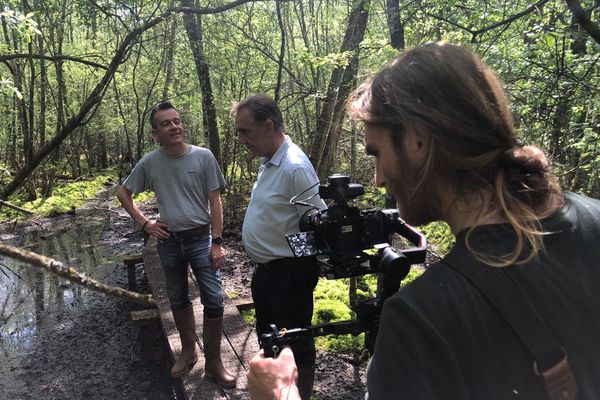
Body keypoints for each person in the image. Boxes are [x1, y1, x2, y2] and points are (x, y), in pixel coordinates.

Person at [246, 43, 600, 399]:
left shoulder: (420, 322)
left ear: (418, 141)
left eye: (378, 155)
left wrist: (280, 395)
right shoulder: (592, 219)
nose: (378, 178)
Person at [117, 101, 236, 387]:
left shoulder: (203, 157)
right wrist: (145, 223)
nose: (174, 127)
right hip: (169, 242)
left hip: (201, 238)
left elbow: (215, 202)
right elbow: (123, 193)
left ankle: (214, 362)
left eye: (177, 121)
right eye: (166, 123)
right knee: (178, 299)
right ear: (155, 132)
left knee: (214, 299)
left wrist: (217, 242)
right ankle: (188, 352)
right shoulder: (150, 162)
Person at [231, 94, 327, 400]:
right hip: (268, 272)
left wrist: (299, 273)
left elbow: (316, 224)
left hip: (289, 274)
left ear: (269, 126)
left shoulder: (295, 166)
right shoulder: (268, 160)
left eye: (246, 131)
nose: (241, 139)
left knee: (295, 344)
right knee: (270, 339)